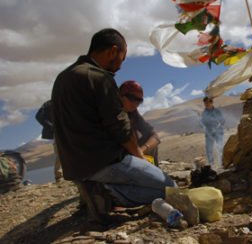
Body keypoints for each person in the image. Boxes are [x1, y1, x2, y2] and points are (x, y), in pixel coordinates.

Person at [51, 28, 176, 222]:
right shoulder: (100, 78)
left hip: (75, 168)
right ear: (113, 51)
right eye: (122, 58)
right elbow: (120, 128)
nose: (120, 65)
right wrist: (139, 155)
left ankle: (95, 189)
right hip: (103, 161)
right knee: (169, 189)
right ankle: (108, 195)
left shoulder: (63, 78)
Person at [119, 80, 161, 166]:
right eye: (132, 98)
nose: (136, 103)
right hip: (116, 155)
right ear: (121, 96)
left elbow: (155, 136)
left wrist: (141, 151)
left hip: (133, 152)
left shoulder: (133, 113)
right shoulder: (112, 112)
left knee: (150, 139)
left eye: (139, 100)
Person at [35, 100, 62, 182]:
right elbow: (38, 116)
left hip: (66, 128)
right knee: (60, 152)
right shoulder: (49, 104)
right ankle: (59, 176)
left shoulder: (66, 98)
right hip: (58, 130)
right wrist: (51, 126)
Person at [200, 97, 225, 168]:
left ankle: (222, 164)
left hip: (218, 133)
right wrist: (200, 122)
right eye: (205, 103)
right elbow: (202, 124)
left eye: (208, 103)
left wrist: (220, 124)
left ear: (212, 102)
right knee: (209, 150)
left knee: (220, 149)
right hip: (209, 134)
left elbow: (223, 120)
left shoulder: (217, 111)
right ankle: (212, 165)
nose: (206, 104)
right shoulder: (204, 113)